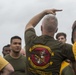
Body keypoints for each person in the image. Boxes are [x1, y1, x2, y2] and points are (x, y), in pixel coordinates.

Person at [25, 9, 76, 75]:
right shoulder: (64, 47)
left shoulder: (30, 39)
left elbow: (30, 24)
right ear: (56, 30)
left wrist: (44, 12)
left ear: (41, 28)